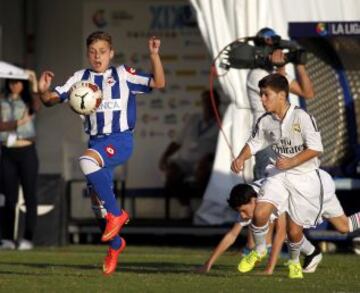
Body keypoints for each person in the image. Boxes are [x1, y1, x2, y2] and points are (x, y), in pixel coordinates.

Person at [38, 31, 165, 275]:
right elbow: (51, 99)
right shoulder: (80, 78)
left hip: (120, 140)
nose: (97, 57)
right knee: (97, 205)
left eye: (103, 52)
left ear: (111, 53)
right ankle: (116, 245)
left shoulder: (123, 74)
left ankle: (118, 214)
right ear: (88, 54)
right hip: (97, 141)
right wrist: (42, 91)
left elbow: (158, 83)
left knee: (85, 161)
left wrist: (154, 55)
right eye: (93, 52)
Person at [231, 73, 323, 279]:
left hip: (306, 177)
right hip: (279, 174)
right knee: (260, 213)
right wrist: (240, 158)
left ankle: (311, 253)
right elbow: (254, 143)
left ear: (282, 96)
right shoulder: (266, 120)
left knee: (337, 226)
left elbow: (316, 149)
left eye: (266, 95)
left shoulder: (302, 117)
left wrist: (291, 161)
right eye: (260, 95)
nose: (262, 99)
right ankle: (260, 250)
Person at [199, 168, 360, 275]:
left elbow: (280, 234)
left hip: (316, 187)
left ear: (254, 201)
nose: (243, 215)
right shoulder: (248, 200)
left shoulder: (272, 195)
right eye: (240, 211)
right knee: (344, 226)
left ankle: (312, 253)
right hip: (317, 183)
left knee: (292, 230)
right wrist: (209, 263)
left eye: (243, 210)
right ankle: (313, 253)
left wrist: (269, 269)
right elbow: (232, 234)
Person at [247, 27, 314, 180]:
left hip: (285, 134)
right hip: (266, 136)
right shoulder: (256, 74)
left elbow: (308, 93)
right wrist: (282, 66)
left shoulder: (277, 72)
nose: (276, 54)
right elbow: (278, 95)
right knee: (266, 181)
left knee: (287, 181)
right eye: (272, 51)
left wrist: (299, 64)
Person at [159, 89, 220, 214]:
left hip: (206, 163)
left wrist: (210, 158)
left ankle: (205, 209)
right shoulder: (193, 119)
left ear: (217, 103)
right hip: (185, 161)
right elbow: (177, 142)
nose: (207, 104)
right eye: (205, 101)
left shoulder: (223, 123)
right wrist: (164, 156)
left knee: (204, 172)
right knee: (171, 172)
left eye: (210, 101)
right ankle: (186, 206)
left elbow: (223, 149)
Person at [0, 70, 40, 250]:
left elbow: (37, 106)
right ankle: (7, 238)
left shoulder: (28, 99)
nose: (14, 85)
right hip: (8, 151)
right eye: (11, 81)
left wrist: (34, 82)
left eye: (17, 81)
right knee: (9, 197)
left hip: (27, 151)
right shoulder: (2, 99)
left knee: (30, 195)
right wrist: (18, 123)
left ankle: (28, 238)